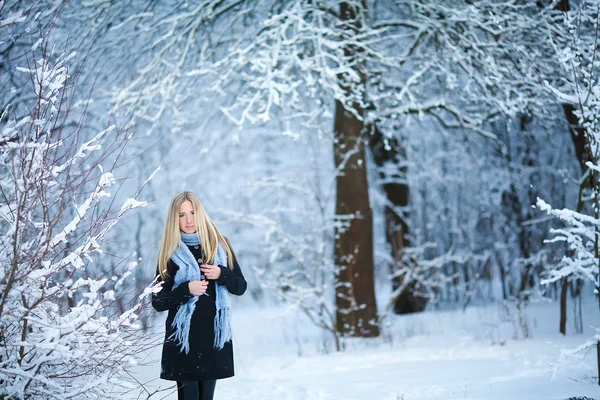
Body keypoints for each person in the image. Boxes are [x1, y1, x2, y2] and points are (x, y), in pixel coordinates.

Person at [152, 191, 247, 400]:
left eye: (192, 213)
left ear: (200, 213)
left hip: (212, 338)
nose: (188, 220)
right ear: (174, 219)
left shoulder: (219, 245)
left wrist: (222, 274)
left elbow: (240, 287)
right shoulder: (169, 252)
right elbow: (157, 302)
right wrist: (186, 290)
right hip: (183, 341)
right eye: (181, 215)